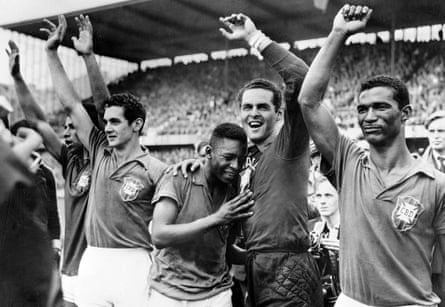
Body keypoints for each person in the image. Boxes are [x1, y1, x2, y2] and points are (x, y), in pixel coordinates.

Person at [298, 4, 445, 306]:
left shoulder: (435, 183)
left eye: (380, 107)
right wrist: (338, 32)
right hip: (352, 301)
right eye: (363, 109)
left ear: (405, 114)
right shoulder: (349, 162)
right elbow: (308, 100)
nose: (369, 116)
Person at [176, 13, 322, 306]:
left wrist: (254, 38)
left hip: (287, 267)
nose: (253, 113)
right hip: (255, 268)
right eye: (247, 107)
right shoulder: (239, 162)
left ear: (279, 114)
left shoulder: (288, 145)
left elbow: (303, 78)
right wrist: (195, 166)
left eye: (262, 107)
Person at [42, 15, 167, 307]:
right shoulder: (99, 150)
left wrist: (89, 58)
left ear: (136, 125)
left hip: (134, 261)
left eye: (114, 122)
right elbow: (71, 103)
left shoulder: (156, 170)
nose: (106, 127)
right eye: (105, 122)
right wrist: (51, 54)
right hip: (94, 260)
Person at [7, 14, 108, 305]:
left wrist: (86, 57)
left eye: (72, 126)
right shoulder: (71, 161)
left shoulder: (105, 158)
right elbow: (38, 122)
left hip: (97, 271)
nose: (64, 131)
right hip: (69, 269)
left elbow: (102, 106)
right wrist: (17, 78)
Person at [149, 123, 253, 306]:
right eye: (228, 157)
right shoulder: (179, 177)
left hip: (216, 294)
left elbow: (224, 249)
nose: (235, 166)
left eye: (241, 159)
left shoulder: (235, 190)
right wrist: (215, 219)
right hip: (170, 293)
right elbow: (159, 236)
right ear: (208, 152)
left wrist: (260, 256)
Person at [0, 125, 63, 307]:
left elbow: (52, 211)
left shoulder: (44, 172)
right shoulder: (8, 172)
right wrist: (32, 139)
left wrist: (55, 243)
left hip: (35, 251)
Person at [424, 111, 445, 307]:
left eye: (442, 130)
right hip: (431, 254)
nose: (436, 135)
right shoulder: (418, 166)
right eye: (432, 131)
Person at [310, 175, 340, 307]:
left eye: (328, 195)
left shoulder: (353, 227)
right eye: (319, 196)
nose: (322, 201)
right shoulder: (313, 229)